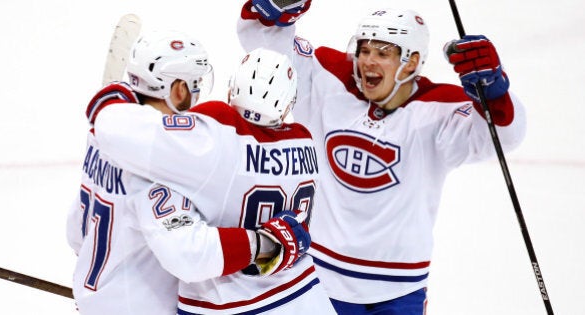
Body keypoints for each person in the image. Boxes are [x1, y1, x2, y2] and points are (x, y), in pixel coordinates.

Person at [237, 1, 527, 314]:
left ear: (412, 62)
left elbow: (503, 136)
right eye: (364, 50)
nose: (368, 61)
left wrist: (494, 91)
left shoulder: (439, 109)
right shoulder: (327, 79)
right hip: (317, 281)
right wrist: (278, 5)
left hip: (399, 290)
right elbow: (264, 44)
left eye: (383, 53)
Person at [89, 46, 337, 314]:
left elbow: (189, 254)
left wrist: (110, 102)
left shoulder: (212, 140)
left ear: (232, 90)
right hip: (308, 298)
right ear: (289, 103)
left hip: (231, 306)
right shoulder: (304, 142)